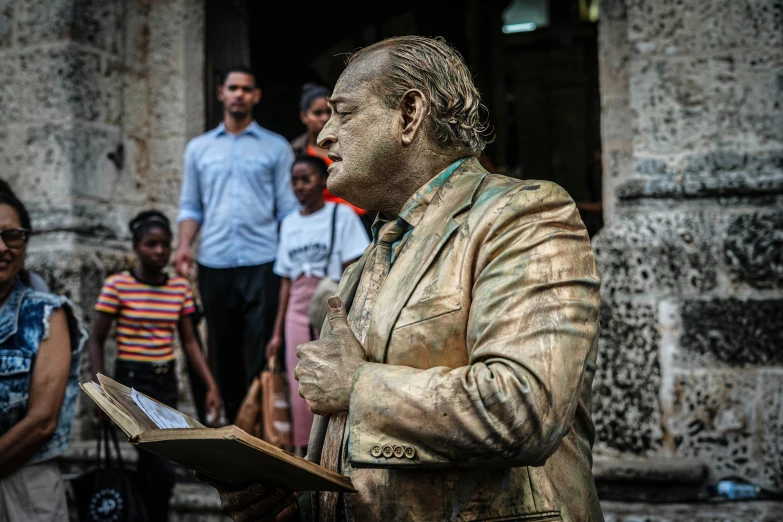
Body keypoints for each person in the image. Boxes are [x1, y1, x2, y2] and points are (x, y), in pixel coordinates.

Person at [209, 36, 603, 522]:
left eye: (343, 113)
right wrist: (292, 504)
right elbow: (365, 469)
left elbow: (524, 409)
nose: (323, 136)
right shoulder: (366, 261)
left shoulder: (522, 215)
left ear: (410, 114)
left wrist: (358, 386)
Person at [174, 65, 300, 423]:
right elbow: (191, 205)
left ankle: (256, 424)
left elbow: (287, 208)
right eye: (233, 88)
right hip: (214, 259)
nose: (239, 94)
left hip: (265, 258)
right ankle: (229, 423)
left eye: (247, 88)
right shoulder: (198, 149)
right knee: (222, 345)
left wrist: (290, 254)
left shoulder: (276, 148)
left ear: (256, 96)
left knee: (261, 345)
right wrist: (184, 245)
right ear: (221, 93)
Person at [89, 210, 223, 522]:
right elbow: (97, 339)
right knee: (158, 466)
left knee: (158, 460)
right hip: (132, 382)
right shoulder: (117, 286)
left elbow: (190, 342)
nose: (160, 251)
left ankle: (148, 514)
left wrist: (211, 385)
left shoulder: (178, 289)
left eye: (165, 244)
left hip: (165, 383)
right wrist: (98, 390)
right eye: (151, 244)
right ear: (136, 247)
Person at [265, 155, 369, 454]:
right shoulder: (289, 224)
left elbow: (354, 266)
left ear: (322, 181)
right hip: (296, 307)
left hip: (331, 302)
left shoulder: (341, 215)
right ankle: (304, 449)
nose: (299, 186)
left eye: (306, 179)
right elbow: (285, 281)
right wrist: (276, 333)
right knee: (300, 375)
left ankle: (332, 445)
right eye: (295, 181)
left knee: (333, 369)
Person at [0, 181, 85, 521]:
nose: (2, 247)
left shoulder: (47, 313)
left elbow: (42, 422)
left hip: (26, 488)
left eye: (13, 235)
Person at [291, 83, 372, 235]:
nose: (324, 118)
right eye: (317, 113)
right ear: (304, 116)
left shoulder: (350, 144)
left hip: (359, 217)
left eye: (329, 112)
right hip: (322, 222)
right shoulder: (297, 152)